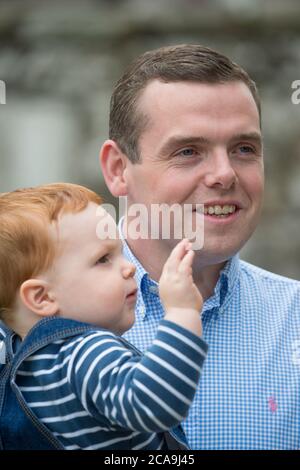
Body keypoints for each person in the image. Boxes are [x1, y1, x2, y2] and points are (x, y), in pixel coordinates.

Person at [99, 44, 300, 449]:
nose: (224, 174)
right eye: (188, 151)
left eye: (244, 149)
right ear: (119, 171)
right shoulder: (33, 317)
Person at [0, 182, 208, 450]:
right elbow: (153, 403)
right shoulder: (84, 351)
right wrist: (182, 313)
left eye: (120, 253)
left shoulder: (18, 360)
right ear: (42, 298)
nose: (129, 268)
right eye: (103, 259)